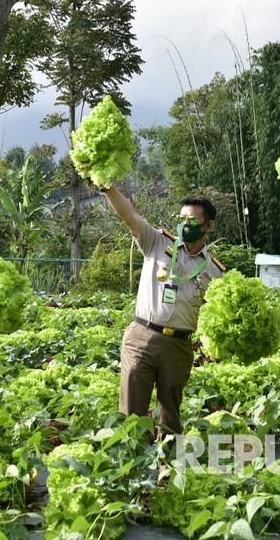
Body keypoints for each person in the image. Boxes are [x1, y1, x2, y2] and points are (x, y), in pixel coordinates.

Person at [102, 186, 225, 434]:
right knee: (131, 416)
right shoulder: (157, 242)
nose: (185, 224)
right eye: (182, 219)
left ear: (208, 226)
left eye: (192, 220)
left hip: (179, 347)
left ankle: (166, 467)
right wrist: (108, 189)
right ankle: (130, 465)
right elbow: (128, 215)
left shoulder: (214, 271)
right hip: (142, 337)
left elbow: (220, 314)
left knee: (170, 417)